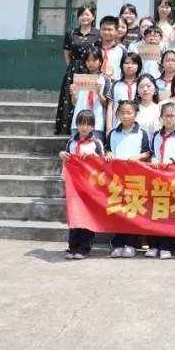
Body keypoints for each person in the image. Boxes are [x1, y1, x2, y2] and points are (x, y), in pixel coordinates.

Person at [104, 100, 151, 258]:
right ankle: (118, 243)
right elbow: (107, 149)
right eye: (122, 113)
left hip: (135, 179)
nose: (125, 116)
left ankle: (131, 244)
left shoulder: (142, 133)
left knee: (132, 211)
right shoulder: (113, 133)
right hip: (116, 179)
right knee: (118, 210)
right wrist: (109, 153)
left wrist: (138, 156)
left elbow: (147, 152)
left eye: (129, 113)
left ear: (135, 114)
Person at [59, 109, 104, 259]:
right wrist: (62, 155)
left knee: (87, 216)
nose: (84, 127)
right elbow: (67, 159)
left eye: (87, 124)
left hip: (90, 186)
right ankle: (73, 247)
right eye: (81, 124)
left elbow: (103, 163)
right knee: (74, 215)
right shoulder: (71, 143)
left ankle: (84, 247)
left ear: (93, 126)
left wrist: (92, 156)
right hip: (74, 186)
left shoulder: (96, 143)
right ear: (76, 125)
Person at [145, 101, 175, 260]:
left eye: (172, 116)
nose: (169, 119)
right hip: (156, 178)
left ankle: (166, 247)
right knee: (153, 212)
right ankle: (153, 245)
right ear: (161, 117)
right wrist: (153, 158)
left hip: (172, 178)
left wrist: (172, 160)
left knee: (168, 213)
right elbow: (151, 153)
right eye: (166, 116)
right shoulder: (156, 135)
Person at [55, 5, 101, 135]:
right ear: (78, 17)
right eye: (82, 14)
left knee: (88, 99)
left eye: (87, 14)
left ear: (93, 17)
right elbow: (67, 54)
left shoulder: (98, 34)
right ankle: (70, 130)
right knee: (71, 98)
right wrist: (74, 67)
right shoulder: (71, 33)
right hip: (74, 70)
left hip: (91, 69)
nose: (84, 17)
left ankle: (90, 129)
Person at [70, 47, 110, 135]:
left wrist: (99, 93)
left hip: (97, 122)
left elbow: (107, 104)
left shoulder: (105, 79)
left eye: (94, 60)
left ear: (100, 61)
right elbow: (74, 102)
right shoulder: (80, 78)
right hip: (79, 122)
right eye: (88, 60)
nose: (90, 63)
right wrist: (73, 94)